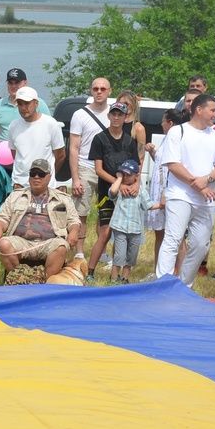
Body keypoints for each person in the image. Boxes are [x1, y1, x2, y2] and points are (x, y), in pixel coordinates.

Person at [154, 93, 215, 286]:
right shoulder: (178, 132)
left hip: (206, 200)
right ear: (199, 109)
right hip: (180, 195)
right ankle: (162, 284)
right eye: (213, 110)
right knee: (173, 238)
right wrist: (197, 184)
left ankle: (184, 285)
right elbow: (172, 164)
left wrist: (207, 179)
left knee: (200, 244)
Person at [0, 158, 80, 279]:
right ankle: (19, 279)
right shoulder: (16, 195)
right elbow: (3, 217)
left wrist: (74, 232)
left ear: (49, 177)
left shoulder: (62, 198)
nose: (36, 177)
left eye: (41, 174)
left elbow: (74, 221)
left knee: (61, 246)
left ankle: (46, 282)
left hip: (50, 242)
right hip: (21, 241)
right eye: (33, 174)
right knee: (4, 244)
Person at [87, 101, 139, 279]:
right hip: (106, 194)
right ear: (109, 116)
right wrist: (119, 184)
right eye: (113, 114)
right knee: (105, 232)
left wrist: (134, 186)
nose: (116, 117)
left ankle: (117, 274)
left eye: (120, 115)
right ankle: (90, 271)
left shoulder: (130, 142)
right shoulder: (99, 139)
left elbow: (136, 168)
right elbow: (99, 170)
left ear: (126, 118)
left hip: (126, 197)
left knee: (123, 234)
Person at [67, 77, 112, 259]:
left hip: (108, 170)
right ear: (91, 91)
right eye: (95, 88)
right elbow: (73, 147)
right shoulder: (80, 114)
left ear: (109, 91)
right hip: (85, 167)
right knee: (80, 214)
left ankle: (102, 252)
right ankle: (79, 252)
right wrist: (75, 178)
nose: (99, 92)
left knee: (106, 214)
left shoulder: (115, 113)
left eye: (103, 88)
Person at [6, 86, 66, 190]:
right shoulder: (13, 126)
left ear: (36, 103)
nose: (23, 107)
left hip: (45, 185)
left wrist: (47, 175)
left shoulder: (51, 124)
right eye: (20, 104)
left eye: (27, 103)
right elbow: (15, 154)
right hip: (20, 185)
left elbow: (60, 155)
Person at [146, 107, 184, 268]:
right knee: (159, 233)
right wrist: (153, 153)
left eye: (163, 121)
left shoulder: (179, 141)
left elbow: (173, 169)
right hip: (158, 189)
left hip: (169, 191)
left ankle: (178, 272)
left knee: (176, 235)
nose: (161, 124)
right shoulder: (166, 139)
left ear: (170, 123)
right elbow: (162, 164)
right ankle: (158, 270)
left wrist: (165, 193)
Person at [0, 68, 51, 148]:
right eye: (10, 83)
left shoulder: (38, 103)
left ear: (25, 83)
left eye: (17, 83)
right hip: (6, 154)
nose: (13, 86)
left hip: (31, 151)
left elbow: (48, 128)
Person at [108, 159, 149, 283]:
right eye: (123, 174)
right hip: (120, 227)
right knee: (119, 255)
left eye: (128, 175)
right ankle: (114, 278)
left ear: (136, 176)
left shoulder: (140, 190)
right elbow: (112, 192)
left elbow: (148, 204)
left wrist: (162, 205)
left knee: (131, 256)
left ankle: (125, 278)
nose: (126, 177)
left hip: (135, 229)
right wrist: (119, 179)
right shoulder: (120, 188)